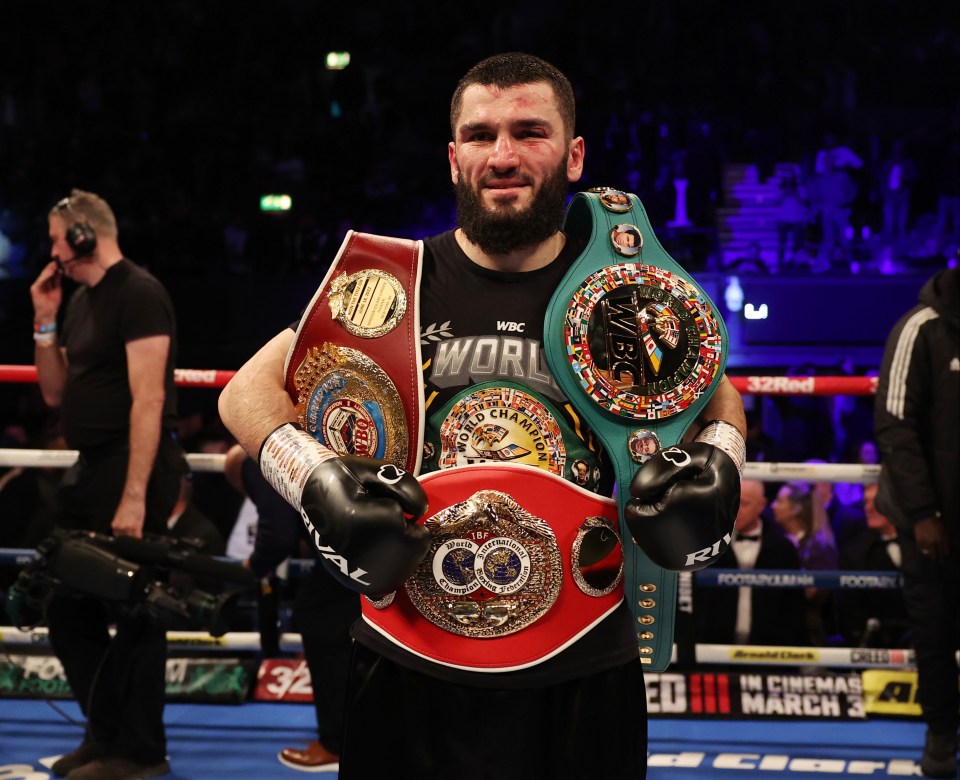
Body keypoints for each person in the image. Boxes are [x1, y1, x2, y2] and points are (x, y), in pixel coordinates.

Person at [218, 52, 746, 779]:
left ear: (572, 155)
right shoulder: (390, 286)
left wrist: (721, 457)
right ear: (453, 156)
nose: (503, 155)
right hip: (409, 660)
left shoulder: (625, 292)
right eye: (480, 135)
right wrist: (315, 479)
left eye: (530, 131)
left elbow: (719, 390)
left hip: (583, 662)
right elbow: (244, 392)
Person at [29, 189, 187, 780]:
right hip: (89, 467)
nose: (51, 252)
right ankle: (105, 734)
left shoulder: (138, 293)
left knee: (138, 613)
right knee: (69, 608)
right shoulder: (79, 302)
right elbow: (51, 392)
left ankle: (142, 752)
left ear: (82, 236)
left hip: (132, 466)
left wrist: (134, 494)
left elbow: (149, 398)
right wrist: (44, 319)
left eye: (55, 238)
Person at [223, 443, 357, 773]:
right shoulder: (297, 443)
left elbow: (278, 535)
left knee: (319, 617)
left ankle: (336, 744)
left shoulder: (259, 459)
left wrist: (255, 565)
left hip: (352, 545)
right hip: (367, 537)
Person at [874, 266, 958, 778]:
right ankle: (942, 733)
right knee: (935, 630)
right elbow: (895, 424)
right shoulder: (920, 327)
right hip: (933, 522)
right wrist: (926, 514)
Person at [694, 479, 808, 646]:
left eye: (744, 504)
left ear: (761, 505)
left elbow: (793, 605)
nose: (735, 510)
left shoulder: (782, 548)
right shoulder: (706, 544)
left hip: (767, 650)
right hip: (713, 647)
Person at [837, 482, 911, 648]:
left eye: (875, 502)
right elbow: (850, 610)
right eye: (866, 502)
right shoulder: (854, 552)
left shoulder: (923, 543)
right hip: (875, 643)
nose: (868, 508)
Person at [771, 481, 840, 646]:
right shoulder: (775, 543)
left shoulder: (819, 549)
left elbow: (815, 594)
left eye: (780, 501)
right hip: (777, 630)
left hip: (808, 636)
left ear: (795, 509)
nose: (773, 506)